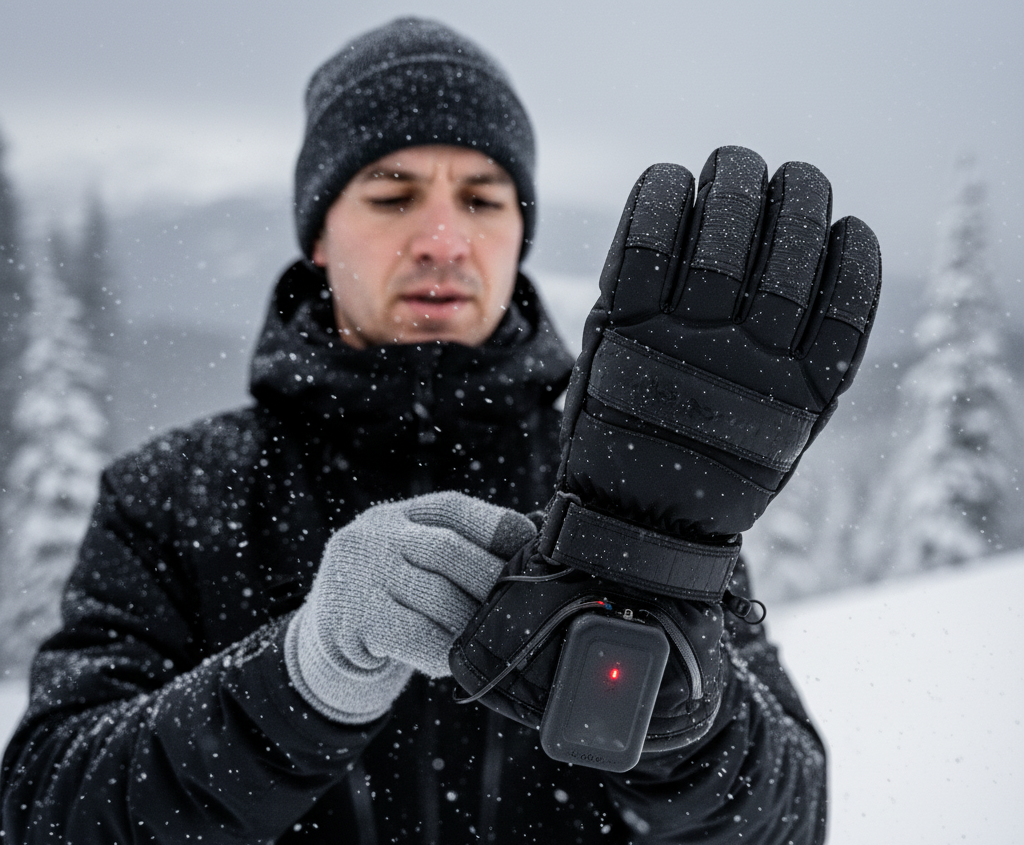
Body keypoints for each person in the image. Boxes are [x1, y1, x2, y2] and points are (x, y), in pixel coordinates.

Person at [1, 17, 832, 844]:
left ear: (519, 233)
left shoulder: (634, 476)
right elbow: (44, 810)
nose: (443, 240)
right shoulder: (173, 495)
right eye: (393, 195)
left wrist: (682, 717)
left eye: (482, 199)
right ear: (319, 235)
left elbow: (793, 821)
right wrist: (300, 676)